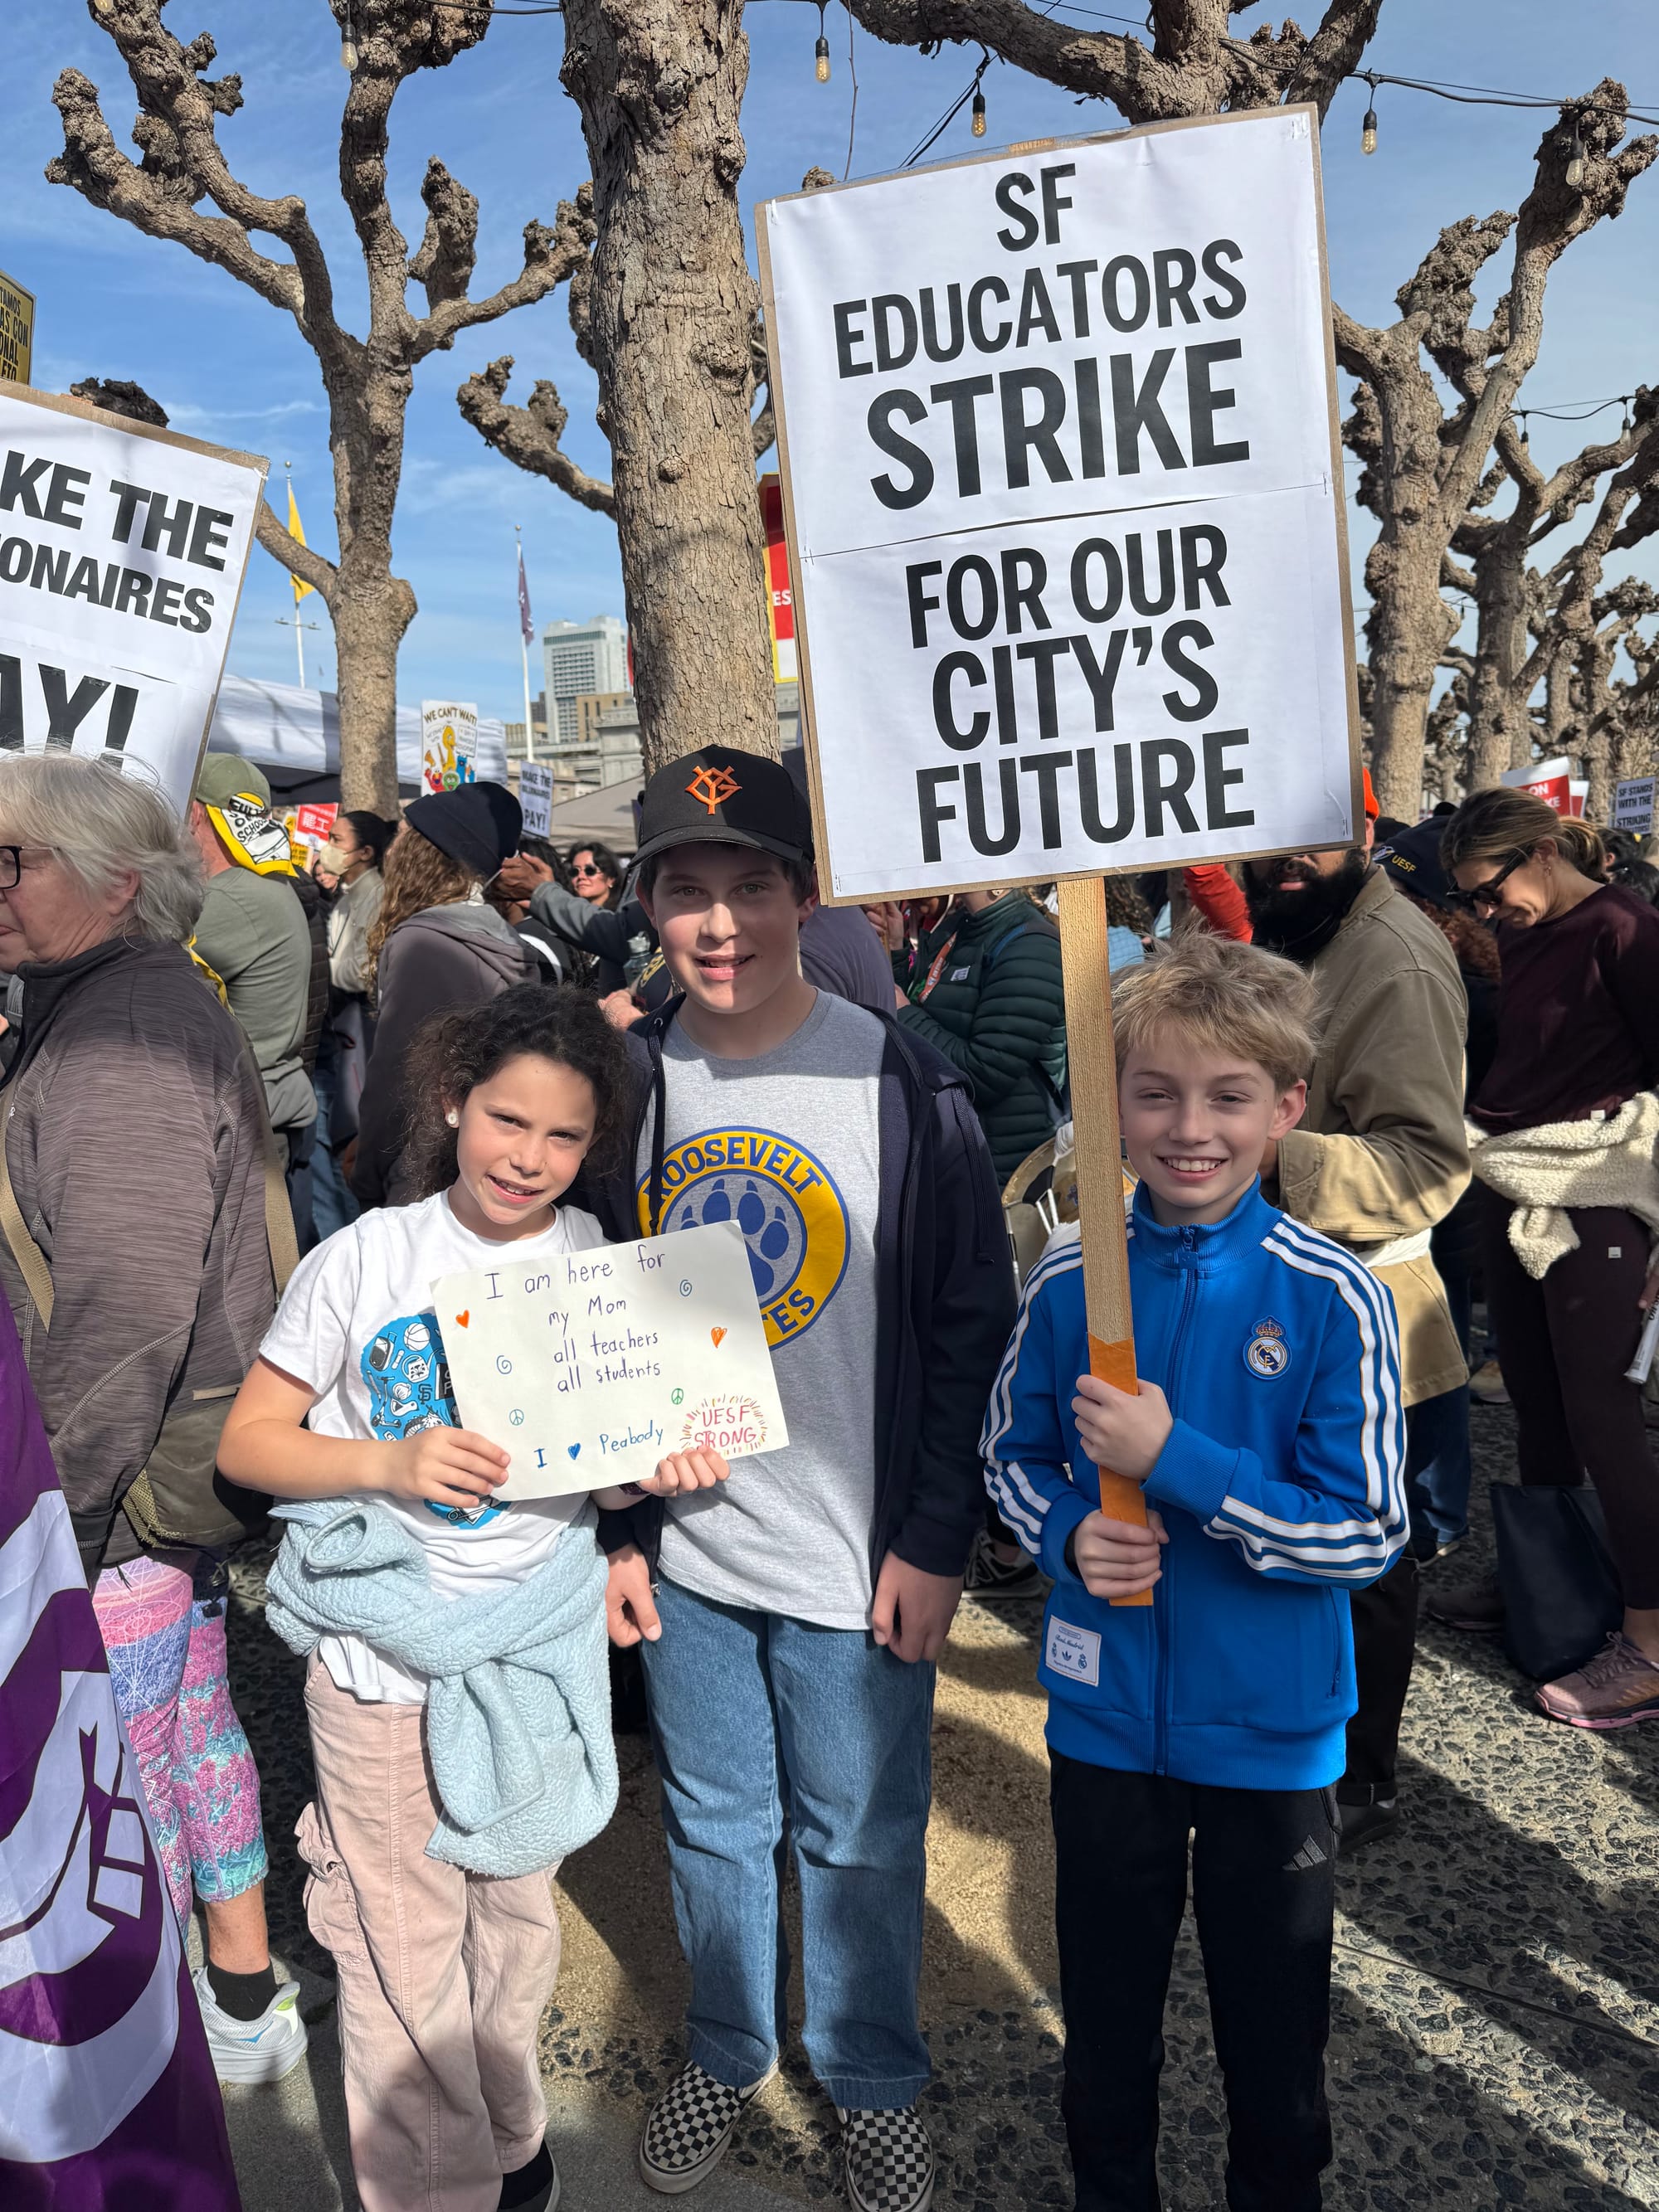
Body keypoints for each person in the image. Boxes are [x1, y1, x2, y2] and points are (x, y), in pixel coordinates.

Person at [587, 746, 1013, 2212]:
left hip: (856, 1552)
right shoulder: (636, 1081)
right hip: (697, 1554)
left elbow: (971, 1317)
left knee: (860, 1830)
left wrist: (938, 1532)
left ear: (803, 895)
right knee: (709, 1819)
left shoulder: (898, 1071)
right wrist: (624, 1525)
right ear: (648, 903)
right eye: (686, 892)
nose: (718, 924)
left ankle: (872, 2068)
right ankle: (725, 2040)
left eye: (750, 887)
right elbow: (609, 1320)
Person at [219, 984, 722, 2212]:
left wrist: (650, 1479)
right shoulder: (368, 1255)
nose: (529, 1157)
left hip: (535, 1660)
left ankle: (511, 2139)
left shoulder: (605, 1268)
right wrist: (384, 1460)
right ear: (452, 1101)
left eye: (562, 1136)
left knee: (515, 1925)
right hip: (384, 1666)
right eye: (507, 1121)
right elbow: (251, 1441)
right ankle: (430, 2185)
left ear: (593, 1141)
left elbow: (605, 1477)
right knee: (400, 1954)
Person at [982, 928, 1406, 2212]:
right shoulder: (1066, 1274)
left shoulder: (1335, 1294)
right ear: (1108, 1104)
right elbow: (1013, 1453)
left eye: (1228, 1097)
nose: (1187, 1129)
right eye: (1153, 1093)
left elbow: (1368, 1531)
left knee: (1273, 2041)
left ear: (1285, 1108)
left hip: (1270, 1734)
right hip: (1105, 1717)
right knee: (1105, 2026)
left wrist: (1183, 1462)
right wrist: (1064, 1533)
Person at [0, 753, 304, 2084]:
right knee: (183, 1729)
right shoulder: (106, 1003)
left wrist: (46, 1521)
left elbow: (122, 1311)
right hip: (160, 1488)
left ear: (118, 882)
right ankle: (241, 1995)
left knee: (103, 1775)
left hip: (113, 1494)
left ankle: (139, 2060)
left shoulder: (124, 1033)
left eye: (16, 861)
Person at [1244, 788, 1469, 1854]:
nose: (1286, 858)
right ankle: (1293, 1758)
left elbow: (1427, 1164)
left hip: (1369, 1317)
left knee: (1365, 1564)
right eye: (1265, 837)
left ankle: (1357, 1782)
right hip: (1272, 1307)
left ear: (1364, 836)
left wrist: (1253, 1151)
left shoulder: (1395, 959)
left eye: (1313, 836)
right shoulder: (1284, 927)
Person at [1435, 790, 1659, 1728]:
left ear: (1535, 851)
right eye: (1472, 904)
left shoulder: (1623, 925)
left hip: (1599, 1185)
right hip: (1512, 1176)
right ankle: (1549, 1575)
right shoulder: (1523, 936)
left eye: (1488, 893)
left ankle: (1648, 1642)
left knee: (1603, 1409)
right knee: (1532, 1396)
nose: (1486, 915)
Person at [1373, 819, 1501, 1558]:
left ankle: (1439, 1508)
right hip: (1440, 1170)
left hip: (1445, 1178)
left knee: (1437, 1346)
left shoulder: (1456, 979)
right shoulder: (1432, 965)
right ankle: (1427, 1504)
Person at [352, 784, 538, 1209]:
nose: (393, 845)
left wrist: (368, 1174)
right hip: (492, 1172)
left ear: (423, 851)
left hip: (424, 1174)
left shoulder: (422, 943)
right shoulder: (508, 940)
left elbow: (396, 1076)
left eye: (404, 833)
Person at [188, 755, 319, 1238]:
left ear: (196, 813)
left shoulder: (232, 898)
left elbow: (130, 968)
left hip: (249, 1126)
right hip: (269, 1112)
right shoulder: (262, 884)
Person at [873, 886, 1068, 1186]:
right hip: (959, 1155)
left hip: (1004, 1176)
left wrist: (903, 1013)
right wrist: (897, 950)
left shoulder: (1031, 946)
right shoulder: (962, 926)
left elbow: (984, 1074)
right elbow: (927, 1005)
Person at [312, 809, 396, 1240]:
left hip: (357, 1032)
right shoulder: (346, 895)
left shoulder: (377, 896)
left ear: (365, 852)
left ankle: (348, 1240)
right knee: (327, 1147)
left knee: (345, 1145)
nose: (327, 845)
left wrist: (316, 969)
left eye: (337, 839)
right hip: (338, 1030)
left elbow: (363, 972)